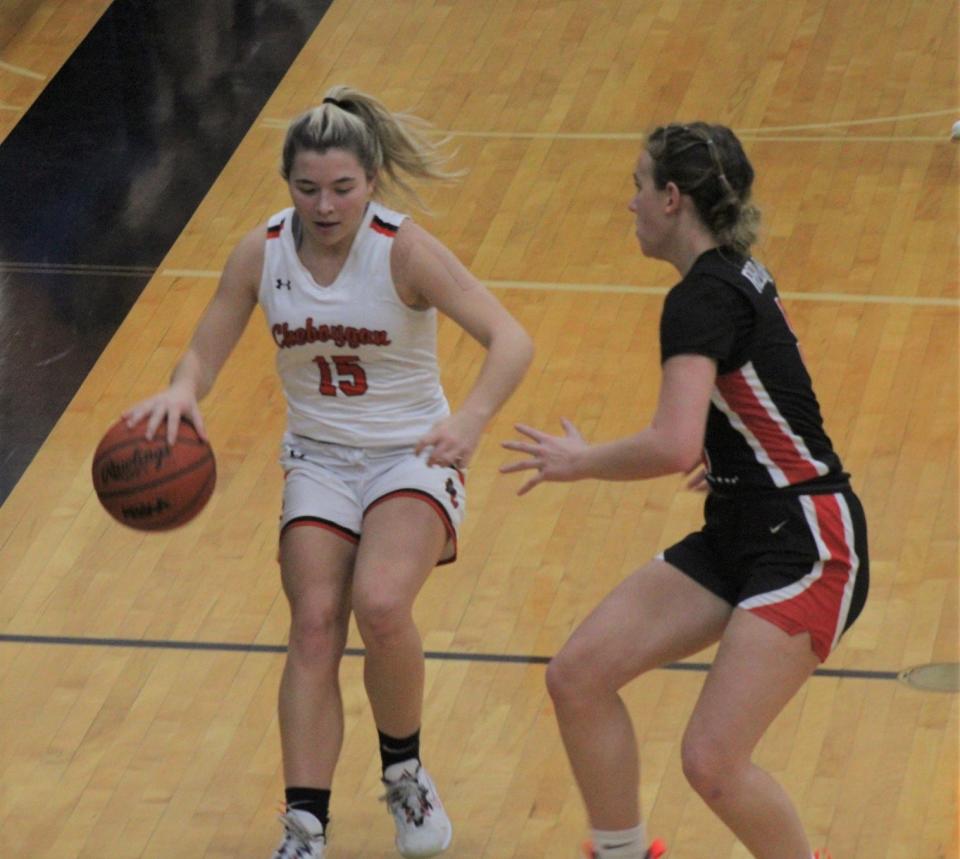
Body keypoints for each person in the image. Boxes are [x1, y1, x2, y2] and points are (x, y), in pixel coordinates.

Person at [125, 85, 533, 859]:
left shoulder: (404, 249)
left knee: (380, 603)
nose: (324, 204)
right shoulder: (262, 251)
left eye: (342, 187)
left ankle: (405, 770)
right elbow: (206, 346)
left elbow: (510, 338)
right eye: (308, 188)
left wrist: (471, 418)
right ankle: (305, 823)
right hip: (317, 458)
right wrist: (183, 389)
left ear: (372, 178)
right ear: (288, 184)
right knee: (314, 624)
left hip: (411, 453)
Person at [501, 122, 867, 859]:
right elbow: (769, 391)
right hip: (744, 521)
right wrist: (734, 452)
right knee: (579, 676)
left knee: (712, 761)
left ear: (672, 199)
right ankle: (622, 853)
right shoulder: (732, 271)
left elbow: (670, 444)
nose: (629, 202)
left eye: (638, 185)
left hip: (806, 542)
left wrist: (582, 459)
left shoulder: (700, 298)